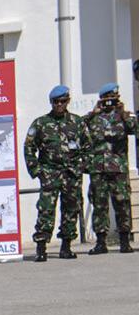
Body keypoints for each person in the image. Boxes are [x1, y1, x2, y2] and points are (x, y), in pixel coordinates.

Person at [23, 84, 84, 261]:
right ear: (51, 103)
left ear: (68, 101)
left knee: (71, 209)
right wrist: (36, 170)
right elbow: (28, 147)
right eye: (56, 102)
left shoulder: (77, 122)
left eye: (62, 101)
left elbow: (88, 146)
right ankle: (41, 248)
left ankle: (66, 246)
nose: (59, 105)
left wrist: (80, 166)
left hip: (71, 174)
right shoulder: (41, 123)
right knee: (46, 210)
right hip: (50, 173)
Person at [81, 82, 137, 254]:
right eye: (106, 100)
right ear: (101, 100)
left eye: (113, 99)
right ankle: (101, 242)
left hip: (118, 168)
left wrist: (122, 112)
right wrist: (93, 113)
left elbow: (135, 129)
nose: (109, 103)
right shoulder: (94, 119)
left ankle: (124, 240)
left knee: (122, 203)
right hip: (98, 169)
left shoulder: (124, 116)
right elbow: (75, 127)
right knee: (100, 204)